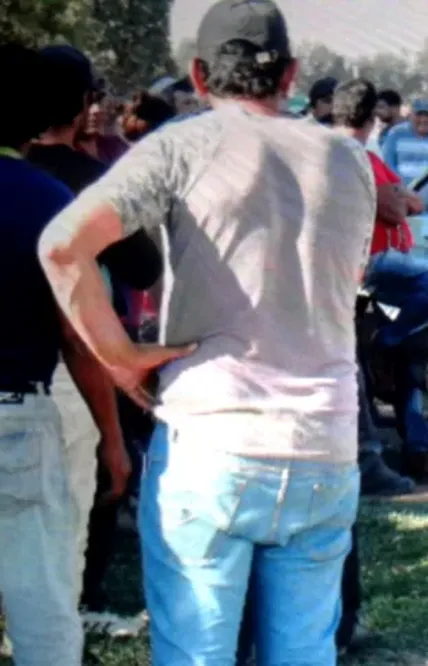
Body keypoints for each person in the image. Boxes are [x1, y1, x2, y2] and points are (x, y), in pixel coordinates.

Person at [37, 1, 375, 664]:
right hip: (324, 441)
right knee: (306, 650)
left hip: (213, 440)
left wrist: (120, 358)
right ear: (291, 74)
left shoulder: (183, 145)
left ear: (198, 74)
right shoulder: (348, 159)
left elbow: (61, 245)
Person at [0, 42, 128, 666]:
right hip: (18, 416)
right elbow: (77, 337)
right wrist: (111, 436)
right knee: (43, 605)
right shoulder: (48, 201)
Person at [26, 43, 161, 621]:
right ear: (84, 104)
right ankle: (84, 600)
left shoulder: (18, 173)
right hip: (72, 356)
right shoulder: (88, 181)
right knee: (93, 485)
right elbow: (144, 267)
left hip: (17, 361)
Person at [330, 78, 428, 483]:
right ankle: (372, 455)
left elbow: (408, 200)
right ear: (372, 118)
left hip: (381, 287)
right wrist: (400, 198)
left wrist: (401, 198)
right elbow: (398, 208)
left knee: (417, 345)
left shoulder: (360, 155)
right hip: (361, 282)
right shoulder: (352, 156)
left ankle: (417, 451)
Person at [382, 97, 428, 211]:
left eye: (427, 115)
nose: (423, 119)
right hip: (404, 202)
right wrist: (405, 193)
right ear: (411, 115)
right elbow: (388, 167)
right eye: (419, 115)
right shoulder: (396, 134)